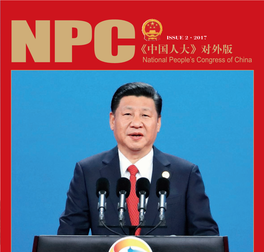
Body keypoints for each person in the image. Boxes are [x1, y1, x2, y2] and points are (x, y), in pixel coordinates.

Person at [57, 82, 219, 236]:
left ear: (158, 123)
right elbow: (69, 237)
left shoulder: (185, 173)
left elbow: (205, 236)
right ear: (112, 120)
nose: (136, 123)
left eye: (145, 115)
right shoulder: (88, 172)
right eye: (127, 114)